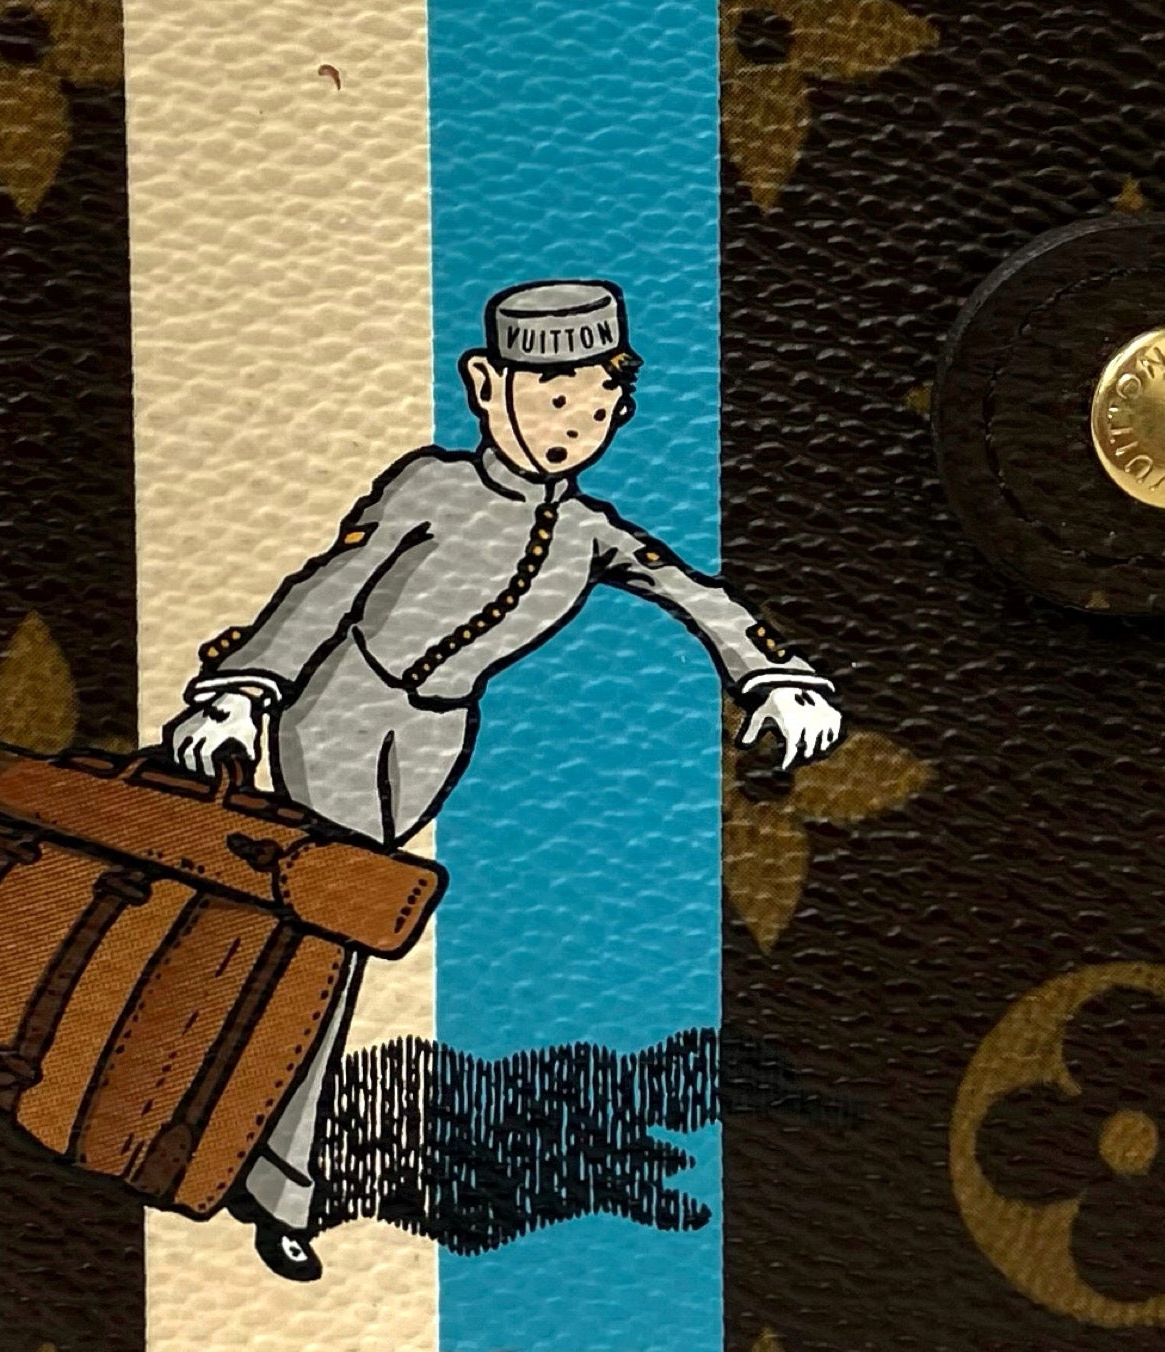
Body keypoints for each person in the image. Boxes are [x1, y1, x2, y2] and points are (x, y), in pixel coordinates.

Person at [166, 279, 843, 1279]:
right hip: (344, 709)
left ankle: (237, 1135)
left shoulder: (586, 533)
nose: (571, 425)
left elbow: (690, 590)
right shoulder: (428, 487)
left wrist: (771, 675)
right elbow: (330, 585)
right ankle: (274, 1181)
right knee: (328, 943)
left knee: (329, 939)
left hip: (435, 737)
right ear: (486, 385)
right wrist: (245, 689)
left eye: (595, 405)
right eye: (550, 396)